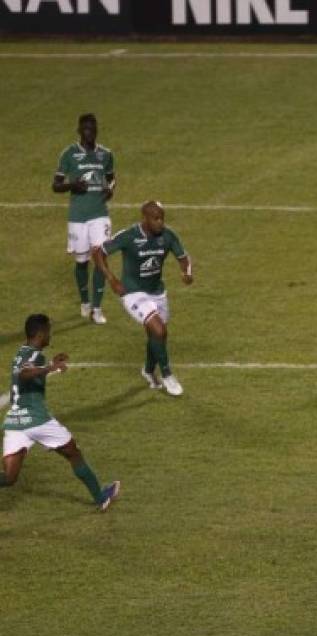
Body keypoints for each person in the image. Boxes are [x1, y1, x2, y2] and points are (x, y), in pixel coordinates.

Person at [2, 314, 121, 512]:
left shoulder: (22, 352)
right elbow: (24, 374)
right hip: (36, 419)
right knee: (73, 452)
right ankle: (101, 497)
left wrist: (49, 367)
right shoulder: (33, 356)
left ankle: (101, 498)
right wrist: (50, 366)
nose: (50, 335)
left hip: (15, 422)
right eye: (49, 331)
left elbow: (28, 369)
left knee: (9, 477)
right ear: (41, 333)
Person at [92, 201, 193, 396]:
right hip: (133, 292)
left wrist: (186, 273)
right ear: (144, 218)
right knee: (159, 329)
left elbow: (183, 257)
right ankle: (167, 375)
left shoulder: (168, 235)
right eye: (156, 219)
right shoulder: (129, 236)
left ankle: (148, 370)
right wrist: (112, 280)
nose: (160, 222)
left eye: (162, 218)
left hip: (157, 291)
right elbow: (98, 253)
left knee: (157, 335)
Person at [52, 113, 116, 325]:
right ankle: (85, 302)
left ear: (96, 131)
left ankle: (97, 309)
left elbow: (111, 177)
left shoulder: (105, 154)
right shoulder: (69, 154)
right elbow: (56, 185)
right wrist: (73, 186)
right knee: (81, 262)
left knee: (100, 259)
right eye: (86, 129)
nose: (89, 133)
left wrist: (111, 189)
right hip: (78, 216)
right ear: (79, 131)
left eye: (93, 129)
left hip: (100, 214)